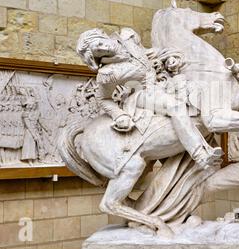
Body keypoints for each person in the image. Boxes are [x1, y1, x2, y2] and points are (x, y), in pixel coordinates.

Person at [76, 28, 222, 169]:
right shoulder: (107, 73)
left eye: (100, 43)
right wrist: (119, 115)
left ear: (102, 36)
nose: (104, 48)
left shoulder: (129, 36)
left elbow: (146, 55)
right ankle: (200, 155)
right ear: (96, 58)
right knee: (175, 106)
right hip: (142, 92)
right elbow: (104, 99)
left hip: (163, 81)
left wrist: (164, 58)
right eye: (98, 51)